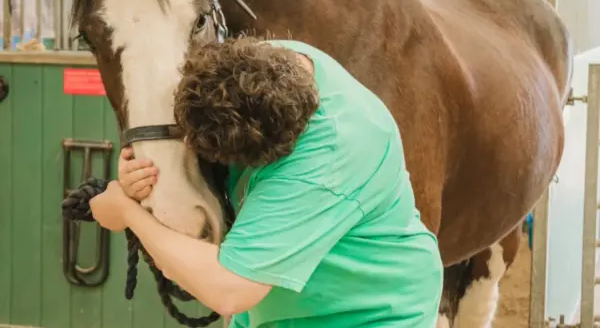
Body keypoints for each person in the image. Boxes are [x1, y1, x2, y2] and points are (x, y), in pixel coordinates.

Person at [90, 36, 443, 328]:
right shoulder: (267, 64)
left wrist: (127, 212)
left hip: (367, 314)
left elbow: (229, 290)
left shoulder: (325, 161)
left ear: (275, 155)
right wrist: (149, 178)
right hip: (283, 309)